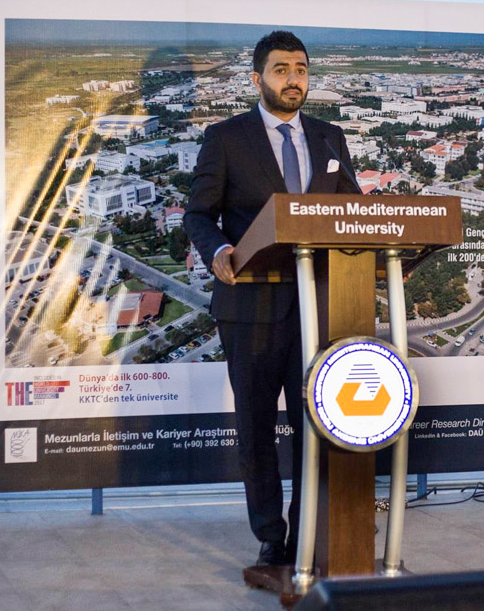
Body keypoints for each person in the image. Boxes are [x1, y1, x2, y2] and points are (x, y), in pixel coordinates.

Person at [183, 30, 360, 567]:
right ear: (257, 78)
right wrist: (219, 250)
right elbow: (198, 214)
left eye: (301, 69)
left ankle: (308, 533)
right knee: (257, 428)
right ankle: (270, 537)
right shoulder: (226, 138)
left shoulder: (330, 138)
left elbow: (353, 211)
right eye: (281, 70)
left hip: (318, 305)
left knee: (316, 425)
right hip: (250, 307)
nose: (293, 79)